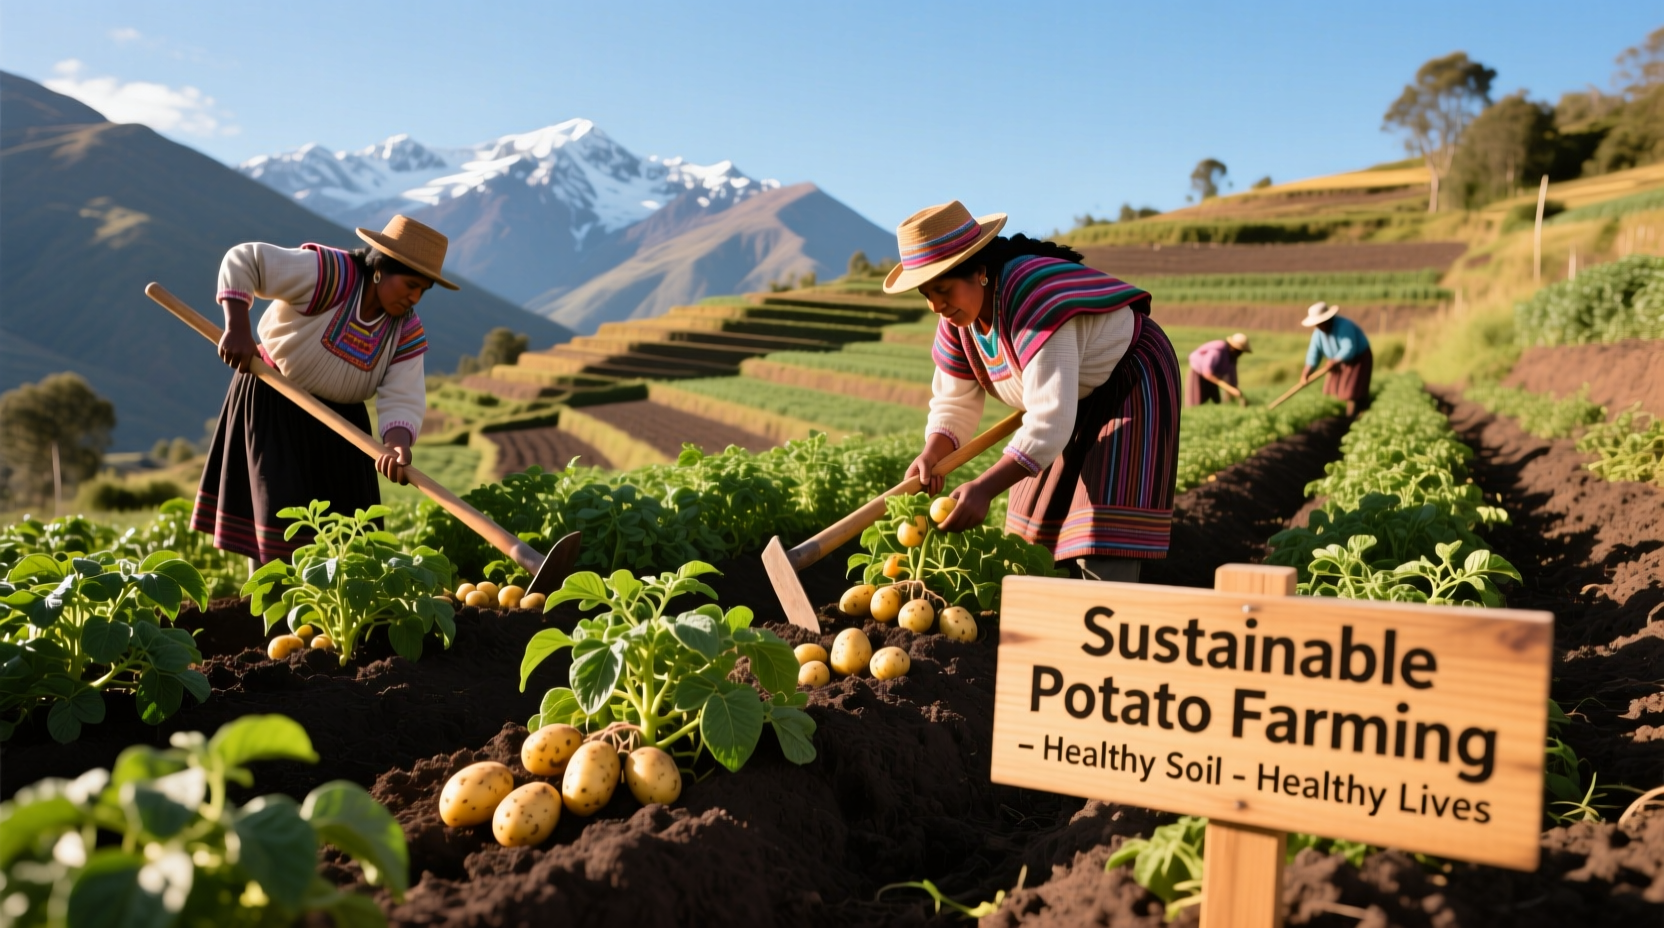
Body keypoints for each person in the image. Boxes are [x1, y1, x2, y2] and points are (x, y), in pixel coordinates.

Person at [888, 201, 1181, 584]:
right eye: (926, 294)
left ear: (979, 271)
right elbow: (953, 404)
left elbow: (1048, 421)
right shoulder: (956, 320)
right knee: (1030, 531)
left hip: (1129, 382)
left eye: (942, 290)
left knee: (1101, 528)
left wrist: (984, 487)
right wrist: (932, 453)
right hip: (1069, 396)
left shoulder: (1033, 299)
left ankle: (1104, 619)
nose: (935, 306)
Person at [193, 215, 458, 565]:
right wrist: (238, 326)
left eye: (422, 290)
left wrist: (396, 444)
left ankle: (338, 618)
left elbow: (403, 393)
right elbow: (245, 260)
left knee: (350, 540)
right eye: (410, 284)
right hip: (275, 402)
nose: (414, 297)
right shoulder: (330, 274)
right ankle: (274, 616)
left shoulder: (405, 330)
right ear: (380, 268)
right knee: (280, 524)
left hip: (344, 428)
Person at [1299, 301, 1372, 416]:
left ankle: (1353, 417)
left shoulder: (1344, 326)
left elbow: (1349, 348)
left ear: (1327, 319)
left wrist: (1335, 360)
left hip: (1359, 358)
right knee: (1337, 389)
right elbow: (1314, 354)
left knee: (1352, 390)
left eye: (1320, 323)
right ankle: (1345, 415)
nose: (1318, 326)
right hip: (1339, 362)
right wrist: (1306, 372)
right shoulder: (1318, 333)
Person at [1185, 333, 1252, 407]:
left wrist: (1238, 393)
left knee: (1215, 402)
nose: (1240, 354)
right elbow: (1207, 373)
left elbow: (1233, 378)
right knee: (1197, 403)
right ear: (1233, 347)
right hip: (1199, 375)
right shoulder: (1217, 351)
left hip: (1213, 378)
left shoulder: (1232, 357)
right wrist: (1229, 388)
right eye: (1239, 351)